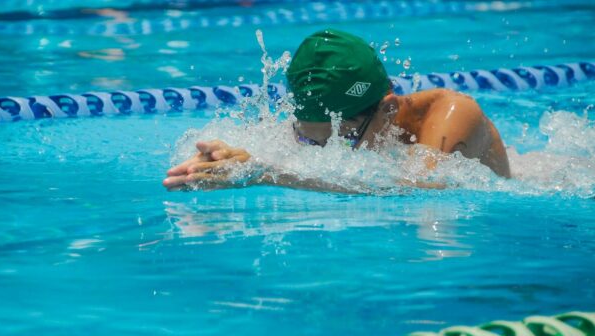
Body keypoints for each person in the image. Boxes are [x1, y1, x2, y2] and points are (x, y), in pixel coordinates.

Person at [163, 29, 511, 192]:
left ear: (387, 111)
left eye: (344, 139)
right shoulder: (323, 123)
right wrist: (240, 159)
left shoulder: (453, 115)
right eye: (309, 140)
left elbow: (423, 189)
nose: (328, 152)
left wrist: (270, 174)